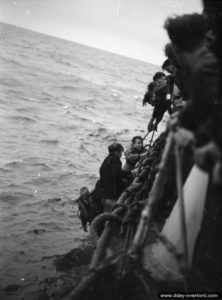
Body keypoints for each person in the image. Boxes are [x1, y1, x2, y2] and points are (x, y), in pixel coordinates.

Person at [96, 142, 133, 212]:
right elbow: (117, 173)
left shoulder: (106, 160)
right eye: (120, 152)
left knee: (106, 216)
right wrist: (130, 173)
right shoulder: (116, 160)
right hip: (110, 196)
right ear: (116, 152)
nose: (121, 155)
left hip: (103, 195)